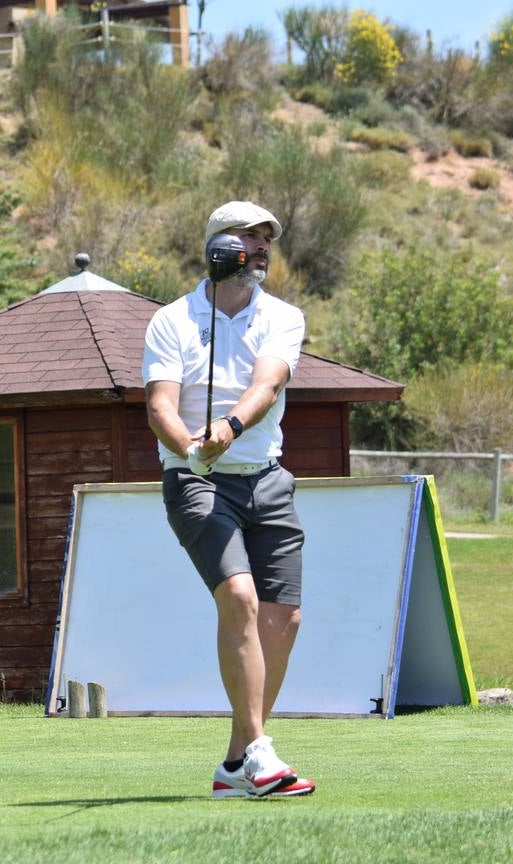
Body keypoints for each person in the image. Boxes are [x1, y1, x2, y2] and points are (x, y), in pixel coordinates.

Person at [141, 201, 314, 800]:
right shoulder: (171, 321)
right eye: (250, 236)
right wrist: (191, 448)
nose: (262, 246)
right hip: (195, 481)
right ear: (217, 246)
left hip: (265, 477)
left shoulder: (284, 316)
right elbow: (160, 404)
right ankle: (262, 756)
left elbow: (267, 384)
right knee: (238, 595)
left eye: (269, 238)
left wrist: (230, 429)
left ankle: (237, 760)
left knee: (282, 619)